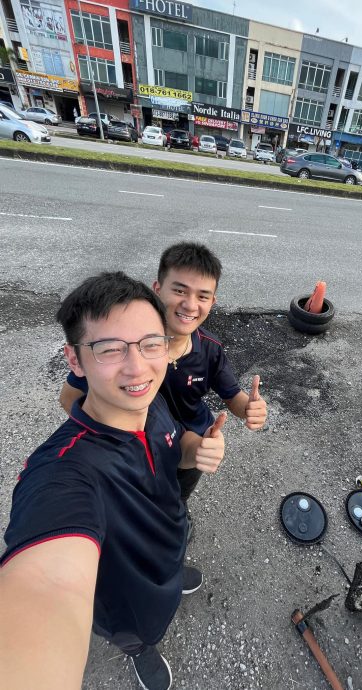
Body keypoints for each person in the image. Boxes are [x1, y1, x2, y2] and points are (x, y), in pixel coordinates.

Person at [0, 272, 227, 690]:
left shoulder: (151, 402)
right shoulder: (64, 473)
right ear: (74, 360)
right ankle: (140, 649)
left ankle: (173, 577)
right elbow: (45, 585)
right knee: (139, 629)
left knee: (172, 571)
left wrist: (197, 449)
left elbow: (175, 445)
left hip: (166, 550)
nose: (137, 367)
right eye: (109, 349)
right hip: (128, 599)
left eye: (150, 344)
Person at [59, 243, 267, 536]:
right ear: (157, 288)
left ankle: (177, 515)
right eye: (180, 290)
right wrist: (106, 433)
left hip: (192, 442)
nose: (190, 305)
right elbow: (69, 397)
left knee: (177, 494)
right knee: (136, 501)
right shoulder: (125, 349)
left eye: (202, 296)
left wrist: (249, 409)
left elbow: (232, 395)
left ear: (212, 302)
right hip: (135, 446)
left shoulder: (211, 349)